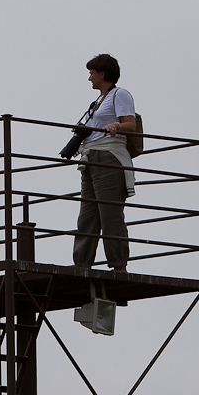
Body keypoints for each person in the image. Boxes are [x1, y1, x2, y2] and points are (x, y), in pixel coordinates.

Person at [71, 53, 137, 274]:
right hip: (91, 159)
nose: (89, 78)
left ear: (102, 73)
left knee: (110, 214)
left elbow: (131, 124)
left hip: (109, 158)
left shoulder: (120, 94)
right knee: (87, 215)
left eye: (92, 73)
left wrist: (116, 126)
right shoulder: (99, 100)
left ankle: (119, 265)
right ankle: (82, 264)